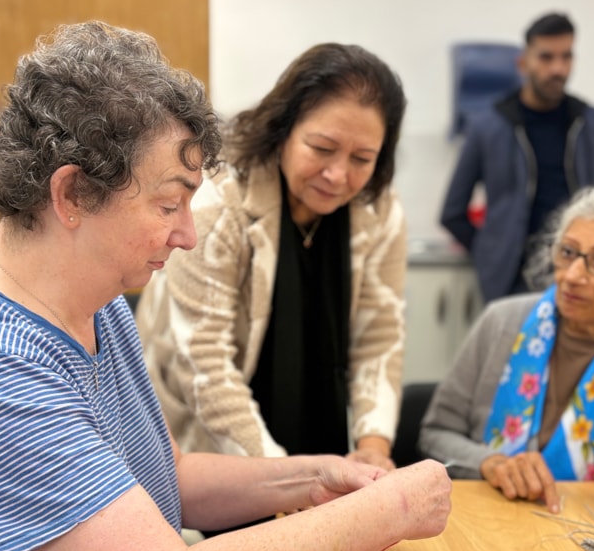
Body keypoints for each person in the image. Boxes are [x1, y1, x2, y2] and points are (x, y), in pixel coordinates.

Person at [0, 21, 452, 551]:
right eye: (169, 203)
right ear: (74, 192)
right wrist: (391, 507)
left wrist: (313, 474)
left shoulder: (99, 298)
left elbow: (162, 476)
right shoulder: (12, 374)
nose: (186, 234)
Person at [135, 43, 407, 472]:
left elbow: (380, 337)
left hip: (315, 436)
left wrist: (373, 446)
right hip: (205, 443)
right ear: (284, 129)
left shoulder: (379, 210)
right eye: (321, 148)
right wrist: (284, 481)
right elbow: (204, 366)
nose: (338, 174)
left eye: (362, 159)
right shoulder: (219, 200)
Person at [420, 185, 594, 515]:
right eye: (567, 252)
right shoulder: (502, 322)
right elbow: (435, 434)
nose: (573, 275)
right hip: (486, 518)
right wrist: (489, 463)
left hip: (593, 533)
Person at [440, 12, 594, 303]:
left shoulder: (593, 123)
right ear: (523, 62)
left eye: (566, 56)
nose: (558, 68)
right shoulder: (489, 125)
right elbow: (452, 212)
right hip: (512, 282)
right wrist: (492, 253)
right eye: (546, 57)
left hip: (582, 277)